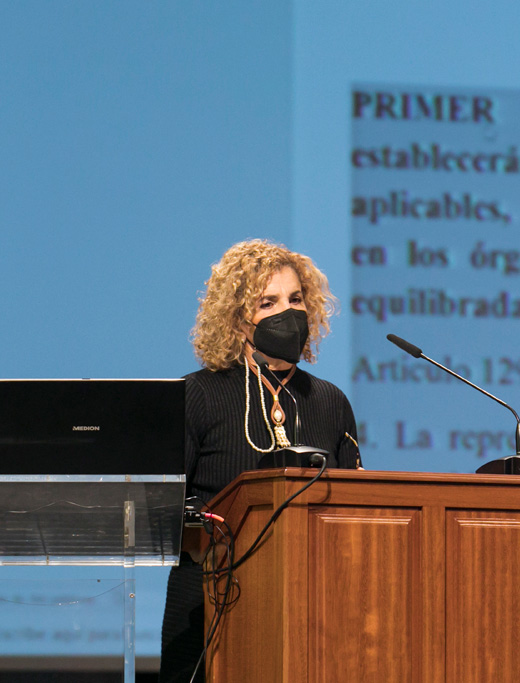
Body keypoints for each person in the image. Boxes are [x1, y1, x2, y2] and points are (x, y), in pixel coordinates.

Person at [159, 239, 359, 683]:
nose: (288, 313)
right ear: (236, 319)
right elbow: (164, 514)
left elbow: (353, 514)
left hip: (312, 608)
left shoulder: (331, 402)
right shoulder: (196, 395)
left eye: (296, 299)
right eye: (267, 303)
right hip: (209, 607)